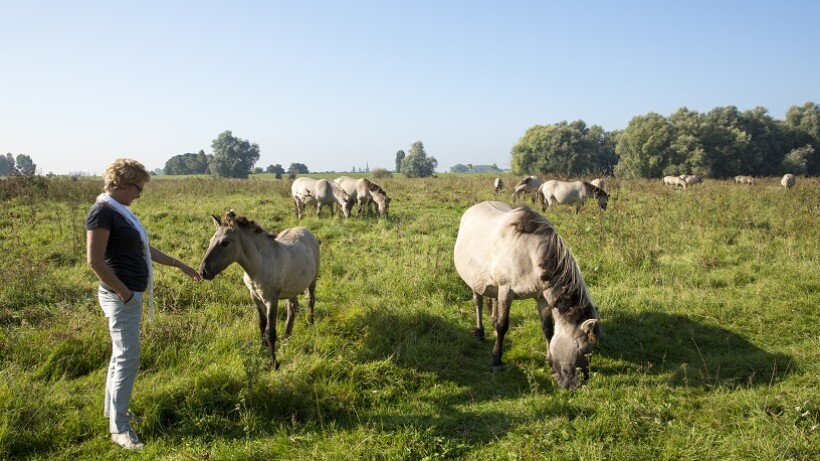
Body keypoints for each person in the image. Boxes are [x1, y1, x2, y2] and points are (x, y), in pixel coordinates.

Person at [85, 159, 201, 449]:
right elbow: (94, 261)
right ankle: (120, 429)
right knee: (128, 358)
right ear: (121, 184)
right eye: (137, 188)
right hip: (121, 297)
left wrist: (178, 264)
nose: (140, 194)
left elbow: (142, 247)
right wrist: (125, 294)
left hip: (127, 295)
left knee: (119, 356)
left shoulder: (119, 211)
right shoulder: (102, 213)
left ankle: (113, 412)